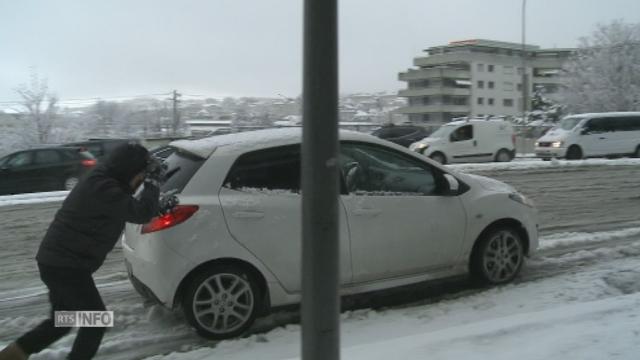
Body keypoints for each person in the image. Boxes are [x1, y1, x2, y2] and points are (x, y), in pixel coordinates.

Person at [0, 143, 161, 360]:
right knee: (96, 321)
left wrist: (156, 200)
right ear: (129, 169)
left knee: (61, 322)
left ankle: (11, 355)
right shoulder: (106, 188)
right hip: (66, 267)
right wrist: (153, 184)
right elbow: (139, 212)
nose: (141, 178)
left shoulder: (104, 179)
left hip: (57, 262)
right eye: (140, 173)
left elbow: (128, 204)